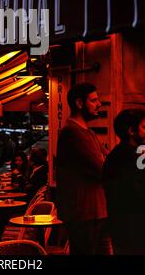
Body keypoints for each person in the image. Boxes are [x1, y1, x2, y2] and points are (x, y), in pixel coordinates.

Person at [56, 82, 109, 254]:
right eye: (94, 100)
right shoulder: (72, 133)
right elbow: (103, 168)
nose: (99, 104)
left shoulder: (89, 133)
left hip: (96, 210)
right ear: (79, 103)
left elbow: (108, 160)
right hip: (84, 212)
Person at [103, 108, 145, 255]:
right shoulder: (132, 156)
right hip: (133, 228)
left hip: (121, 226)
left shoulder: (117, 154)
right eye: (144, 127)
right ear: (131, 131)